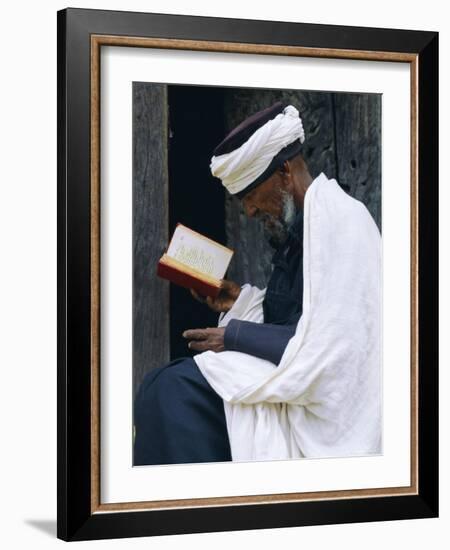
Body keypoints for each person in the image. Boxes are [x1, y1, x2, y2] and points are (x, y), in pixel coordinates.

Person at [133, 101, 311, 465]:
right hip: (279, 366)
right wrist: (236, 299)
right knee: (158, 384)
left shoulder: (342, 221)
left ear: (285, 173)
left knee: (173, 390)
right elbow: (290, 311)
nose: (248, 211)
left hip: (306, 385)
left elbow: (330, 340)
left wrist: (231, 336)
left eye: (249, 196)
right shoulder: (296, 233)